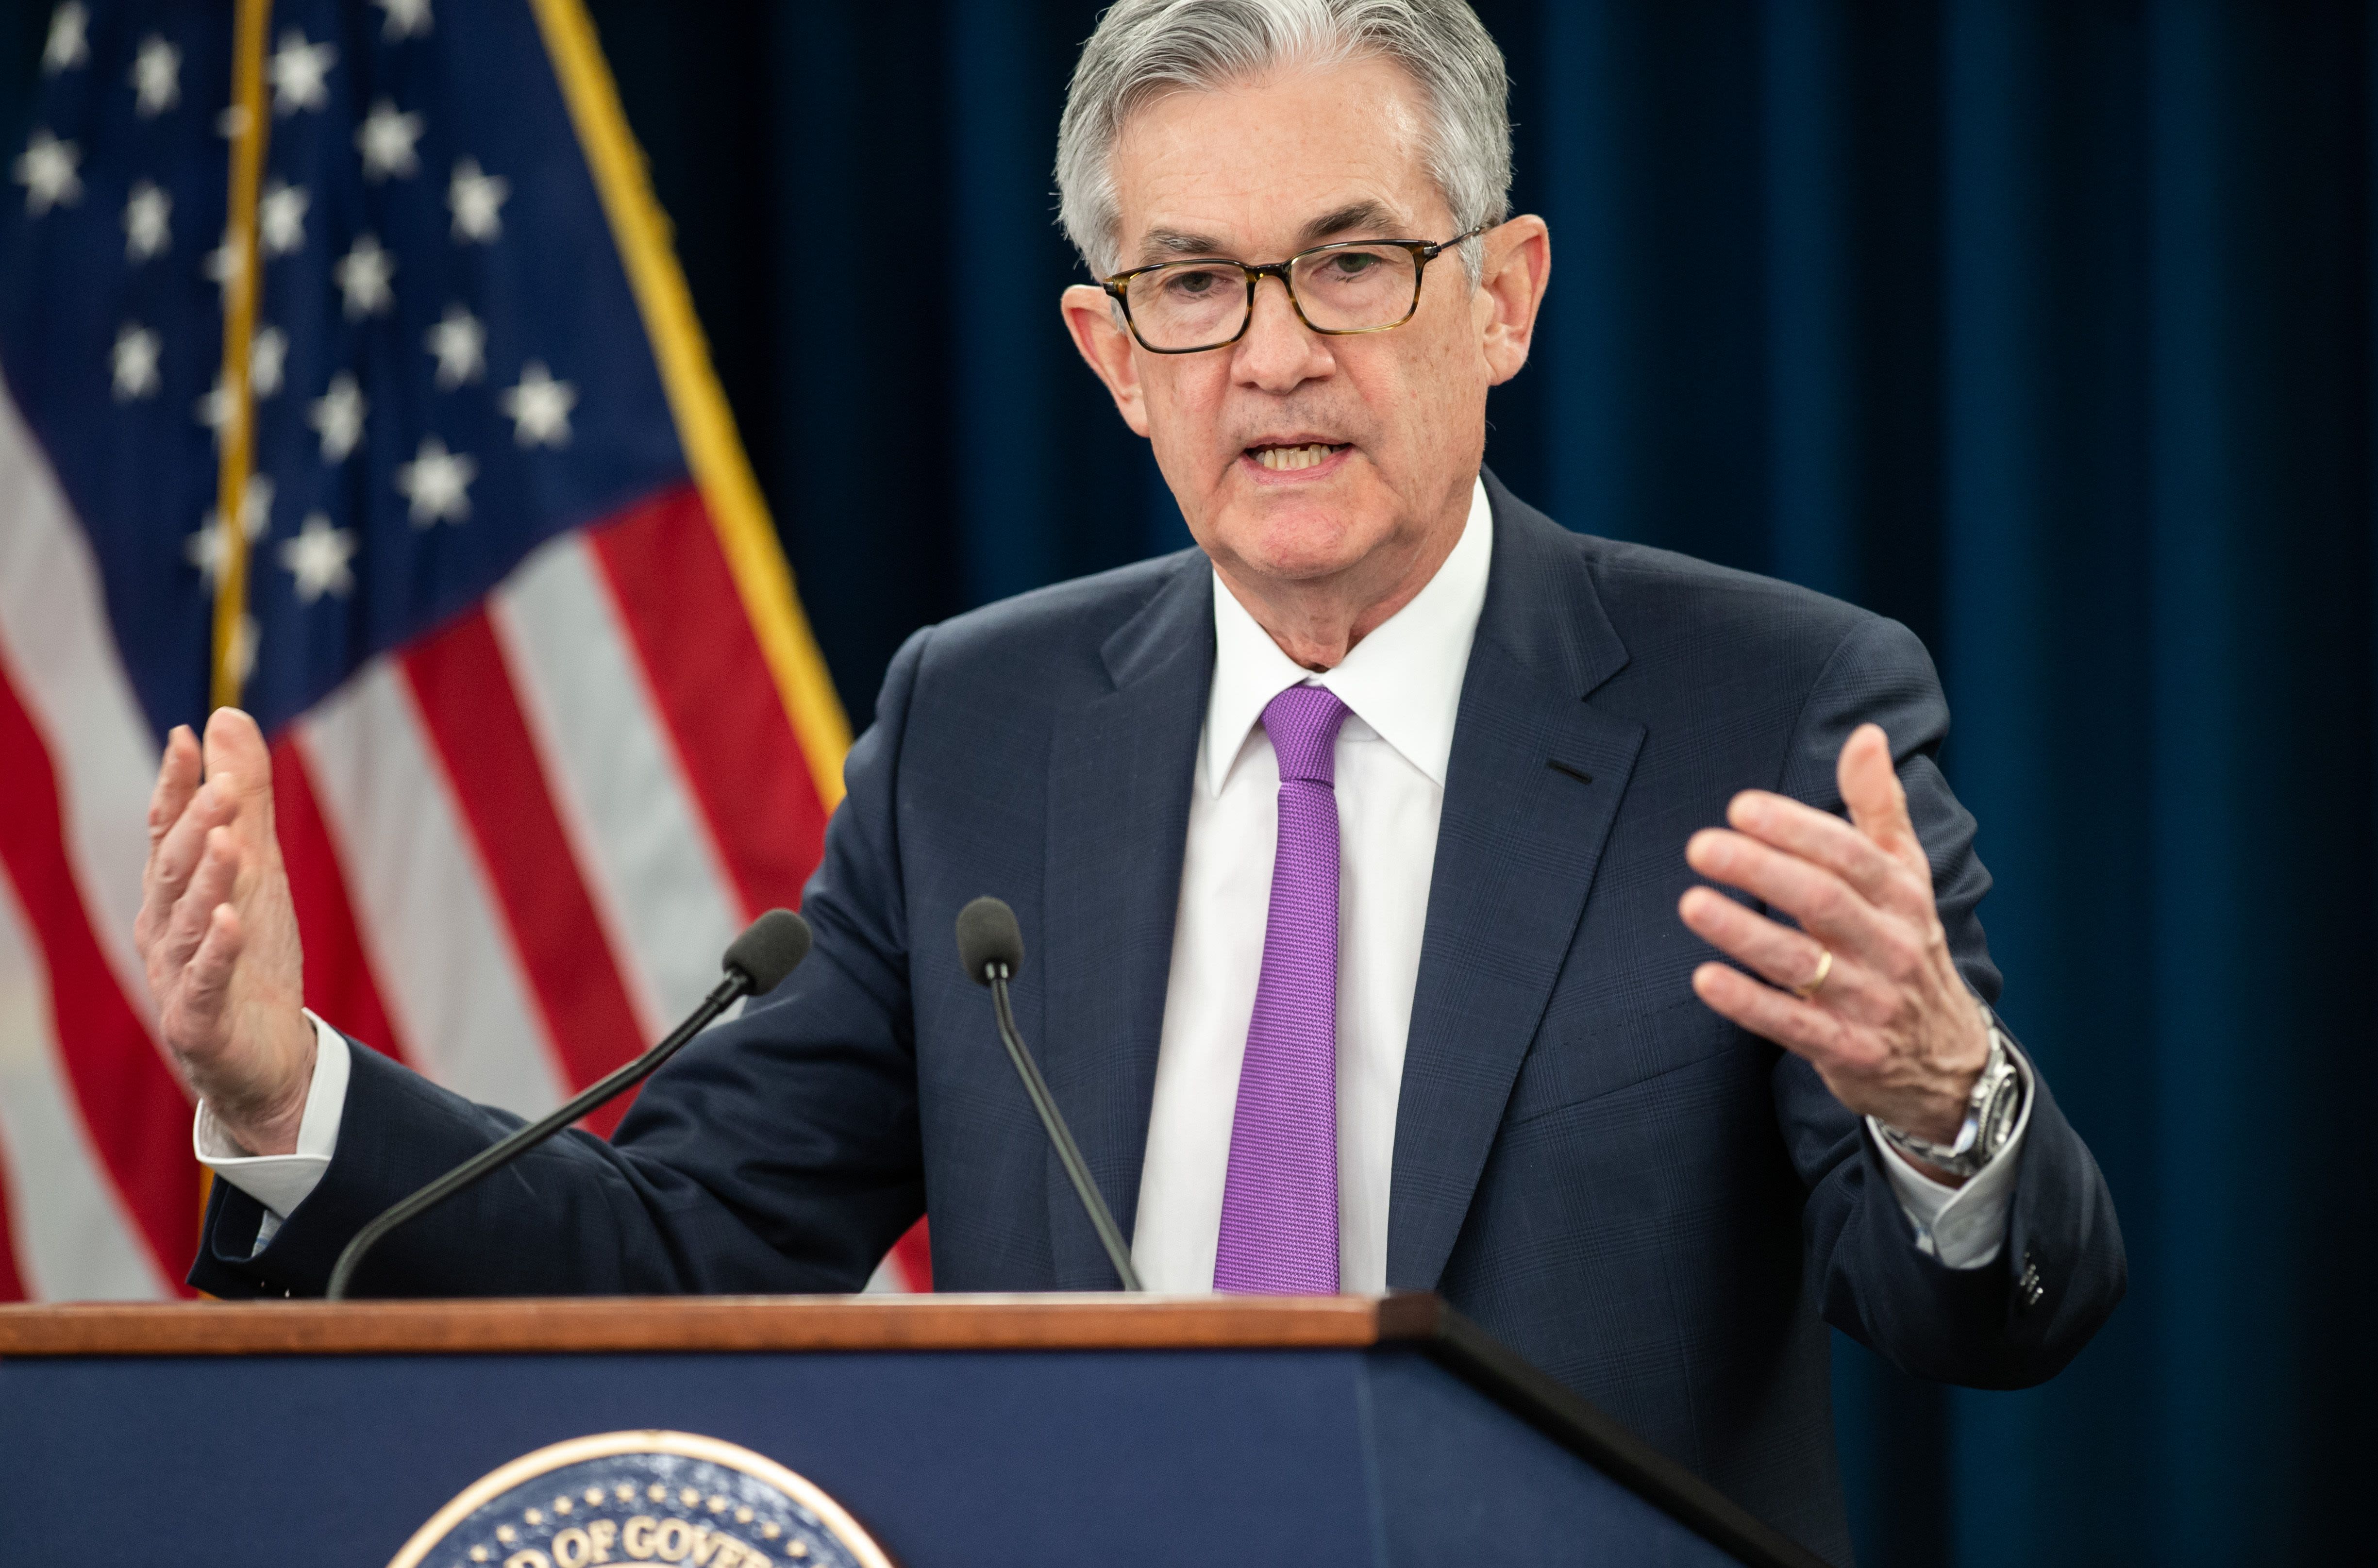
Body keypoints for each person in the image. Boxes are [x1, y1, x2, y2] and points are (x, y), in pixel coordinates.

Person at [138, 0, 2122, 1557]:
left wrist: (1941, 1102)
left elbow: (1992, 1318)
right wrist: (275, 1085)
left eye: (1350, 262)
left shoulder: (1763, 714)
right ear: (1107, 347)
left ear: (1500, 294)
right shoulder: (975, 730)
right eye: (1193, 283)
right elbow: (681, 1249)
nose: (1269, 355)